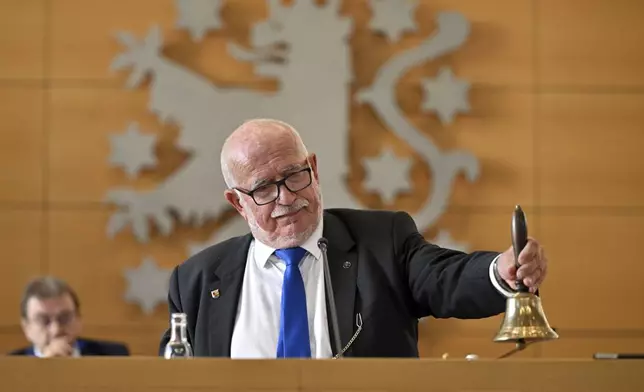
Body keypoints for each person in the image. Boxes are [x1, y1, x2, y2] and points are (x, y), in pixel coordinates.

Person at [159, 119, 548, 358]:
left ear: (313, 167)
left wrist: (502, 270)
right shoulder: (196, 280)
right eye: (263, 189)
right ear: (237, 203)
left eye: (295, 175)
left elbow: (446, 278)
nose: (287, 198)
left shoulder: (382, 240)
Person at [9, 276, 130, 357]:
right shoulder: (8, 369)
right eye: (44, 321)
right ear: (26, 328)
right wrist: (44, 370)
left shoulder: (114, 355)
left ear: (78, 319)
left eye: (64, 318)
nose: (56, 330)